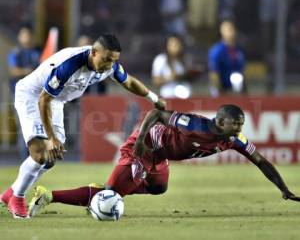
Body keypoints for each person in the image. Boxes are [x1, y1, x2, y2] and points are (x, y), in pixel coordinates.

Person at [28, 104, 300, 218]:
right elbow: (157, 113)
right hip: (143, 148)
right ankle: (48, 195)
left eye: (241, 123)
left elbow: (261, 160)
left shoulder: (234, 140)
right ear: (220, 122)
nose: (240, 127)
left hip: (161, 157)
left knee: (159, 187)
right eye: (236, 123)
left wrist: (283, 189)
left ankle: (121, 183)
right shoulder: (195, 124)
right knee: (111, 194)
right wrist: (143, 138)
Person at [0, 34, 165, 219]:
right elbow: (43, 99)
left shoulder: (107, 66)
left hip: (55, 101)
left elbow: (128, 81)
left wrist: (154, 98)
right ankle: (18, 198)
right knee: (40, 152)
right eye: (106, 60)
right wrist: (52, 137)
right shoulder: (70, 65)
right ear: (94, 52)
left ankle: (11, 193)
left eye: (113, 61)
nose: (109, 65)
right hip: (34, 96)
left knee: (51, 157)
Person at [7, 26, 41, 160]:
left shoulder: (37, 52)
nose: (27, 38)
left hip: (36, 93)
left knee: (37, 124)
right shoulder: (15, 52)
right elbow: (14, 70)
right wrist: (30, 72)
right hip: (19, 95)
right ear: (20, 38)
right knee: (24, 124)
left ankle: (37, 156)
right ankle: (26, 157)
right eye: (24, 35)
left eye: (29, 35)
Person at [208, 20, 246, 97]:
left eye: (232, 29)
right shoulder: (217, 50)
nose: (231, 32)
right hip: (222, 91)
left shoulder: (239, 50)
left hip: (237, 90)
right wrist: (220, 91)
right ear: (222, 32)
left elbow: (242, 71)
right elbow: (214, 73)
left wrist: (244, 90)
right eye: (228, 29)